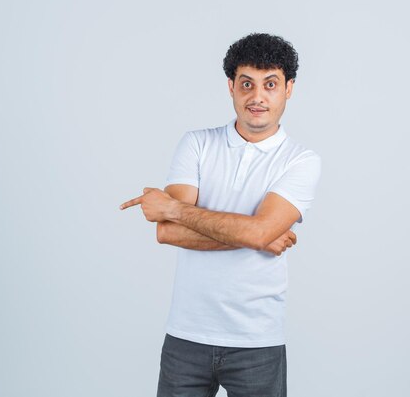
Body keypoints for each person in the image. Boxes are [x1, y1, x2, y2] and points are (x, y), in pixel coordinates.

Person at [120, 32, 322, 397]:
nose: (257, 96)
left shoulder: (301, 161)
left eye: (270, 84)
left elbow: (176, 218)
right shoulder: (196, 144)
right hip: (186, 336)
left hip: (257, 341)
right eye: (246, 84)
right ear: (231, 87)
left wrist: (177, 209)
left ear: (289, 89)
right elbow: (167, 232)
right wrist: (257, 234)